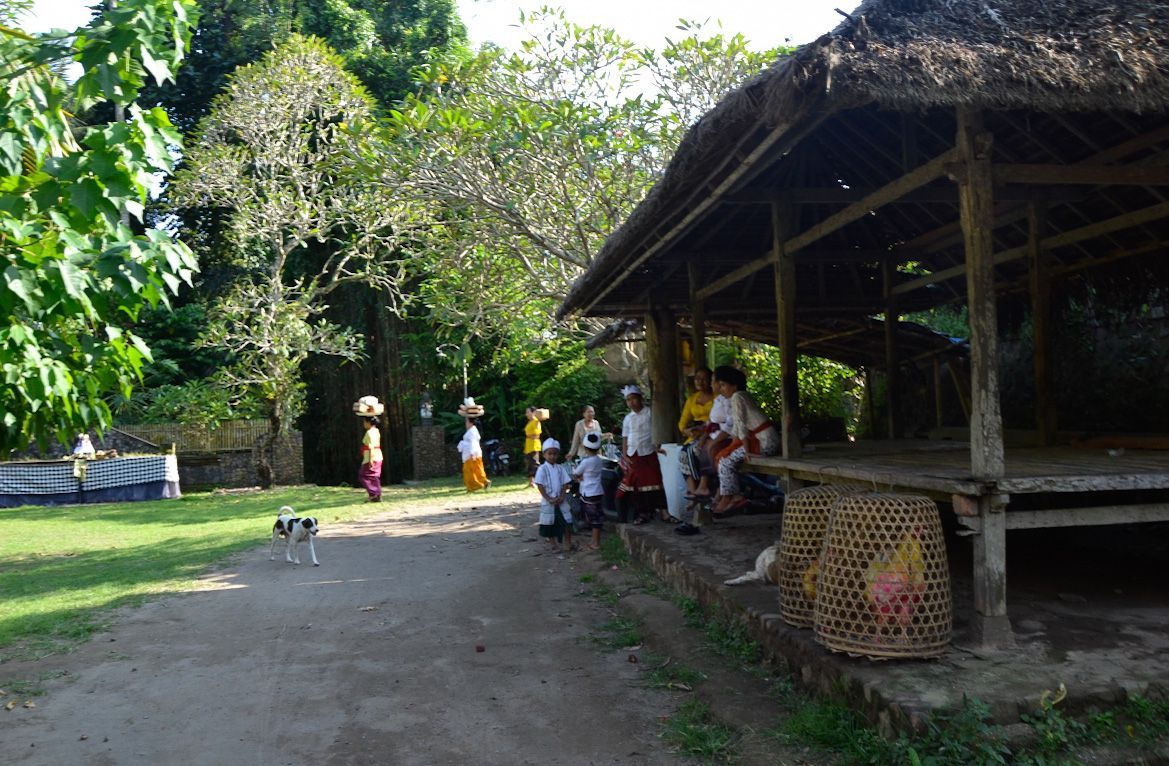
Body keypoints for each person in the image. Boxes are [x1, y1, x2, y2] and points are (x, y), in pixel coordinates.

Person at [712, 365, 779, 515]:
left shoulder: (737, 397)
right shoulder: (743, 395)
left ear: (734, 386)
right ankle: (726, 496)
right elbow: (737, 429)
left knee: (725, 461)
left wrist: (747, 451)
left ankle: (731, 497)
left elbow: (741, 427)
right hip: (767, 441)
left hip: (764, 443)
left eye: (723, 385)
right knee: (725, 456)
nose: (721, 389)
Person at [616, 384, 667, 524]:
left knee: (655, 481)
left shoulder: (650, 413)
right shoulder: (628, 418)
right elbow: (625, 437)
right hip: (633, 454)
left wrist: (657, 446)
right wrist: (625, 454)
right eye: (628, 400)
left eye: (634, 399)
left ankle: (664, 511)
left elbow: (657, 430)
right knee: (636, 485)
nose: (631, 402)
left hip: (648, 452)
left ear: (640, 398)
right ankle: (642, 513)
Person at [677, 367, 715, 496]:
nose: (700, 381)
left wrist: (704, 429)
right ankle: (692, 490)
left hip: (712, 431)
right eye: (697, 378)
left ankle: (703, 485)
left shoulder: (717, 397)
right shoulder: (692, 399)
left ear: (711, 380)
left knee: (696, 450)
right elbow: (682, 423)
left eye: (704, 379)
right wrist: (686, 431)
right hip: (696, 434)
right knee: (683, 453)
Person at [534, 438, 575, 553]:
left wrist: (562, 496)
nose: (552, 456)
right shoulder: (542, 469)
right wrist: (548, 498)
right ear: (544, 455)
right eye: (550, 454)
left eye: (555, 454)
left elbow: (565, 483)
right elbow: (540, 485)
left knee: (567, 521)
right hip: (548, 501)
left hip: (561, 500)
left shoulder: (560, 468)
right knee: (549, 523)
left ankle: (568, 542)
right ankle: (553, 544)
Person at [572, 430, 606, 550]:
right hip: (598, 491)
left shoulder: (586, 462)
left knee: (593, 519)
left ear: (585, 448)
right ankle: (594, 541)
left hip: (588, 493)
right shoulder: (599, 460)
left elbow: (576, 473)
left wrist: (574, 469)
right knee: (597, 517)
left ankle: (595, 543)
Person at [457, 417, 490, 493]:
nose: (465, 423)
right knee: (476, 470)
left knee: (470, 471)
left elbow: (473, 443)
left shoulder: (472, 431)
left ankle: (474, 486)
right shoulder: (472, 430)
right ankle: (484, 482)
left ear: (470, 422)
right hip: (471, 453)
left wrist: (472, 453)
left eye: (466, 421)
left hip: (472, 454)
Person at [359, 415, 383, 502]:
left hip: (371, 457)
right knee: (374, 476)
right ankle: (375, 495)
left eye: (364, 422)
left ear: (368, 422)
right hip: (378, 456)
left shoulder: (370, 432)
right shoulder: (376, 430)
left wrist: (370, 460)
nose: (364, 424)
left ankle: (374, 494)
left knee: (363, 475)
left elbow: (371, 447)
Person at [523, 406, 543, 488]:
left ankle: (538, 481)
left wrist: (530, 436)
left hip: (534, 445)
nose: (526, 414)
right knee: (529, 464)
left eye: (528, 412)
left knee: (534, 464)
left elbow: (537, 434)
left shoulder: (536, 421)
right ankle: (531, 482)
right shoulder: (530, 422)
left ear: (533, 412)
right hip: (528, 445)